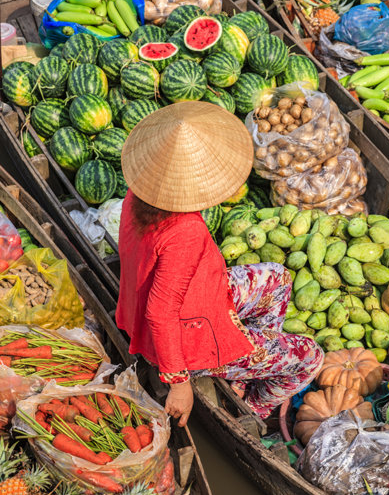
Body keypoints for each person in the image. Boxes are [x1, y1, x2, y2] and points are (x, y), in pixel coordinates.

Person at [116, 102, 324, 427]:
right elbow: (160, 312)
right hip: (188, 340)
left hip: (200, 297)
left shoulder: (139, 192)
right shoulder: (185, 230)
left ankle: (242, 371)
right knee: (311, 356)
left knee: (278, 278)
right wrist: (179, 383)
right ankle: (251, 408)